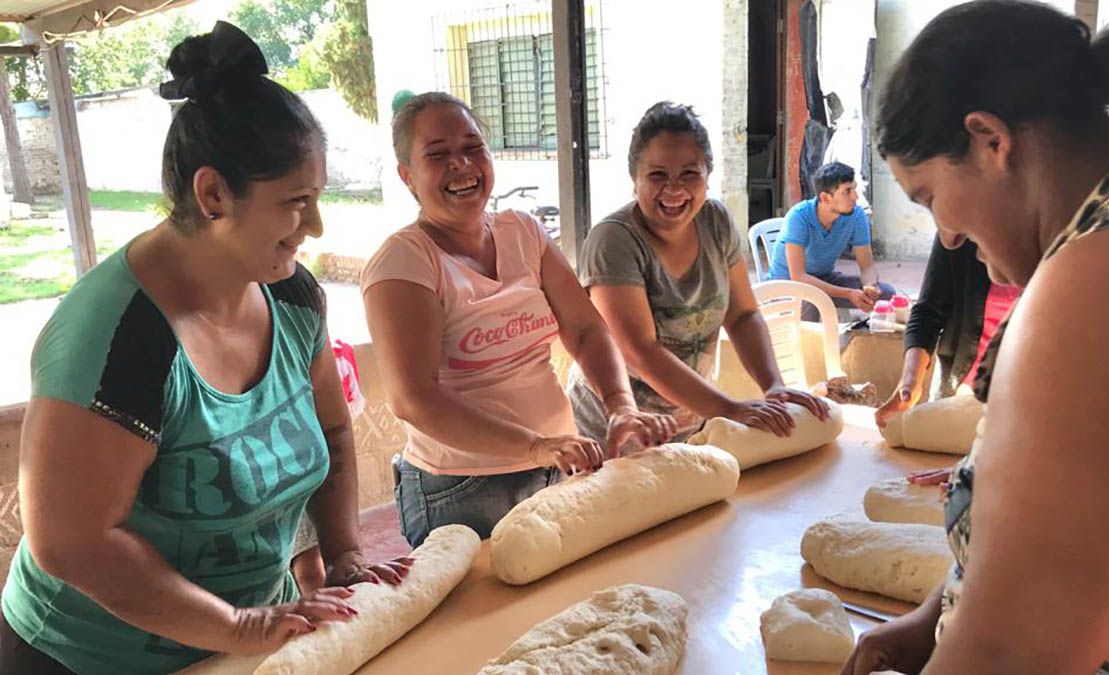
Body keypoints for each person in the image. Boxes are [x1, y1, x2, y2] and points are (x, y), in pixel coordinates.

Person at [0, 23, 409, 675]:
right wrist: (237, 624)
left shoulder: (294, 295)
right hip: (88, 658)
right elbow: (71, 542)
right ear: (214, 194)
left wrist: (345, 555)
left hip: (238, 644)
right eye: (296, 202)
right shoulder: (118, 337)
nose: (317, 226)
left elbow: (332, 431)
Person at [843, 2, 1109, 674]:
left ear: (989, 140)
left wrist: (975, 632)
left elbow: (1011, 655)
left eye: (926, 196)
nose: (945, 234)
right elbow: (1081, 545)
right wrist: (938, 615)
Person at [362, 92, 674, 549]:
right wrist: (534, 445)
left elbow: (587, 330)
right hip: (462, 489)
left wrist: (620, 405)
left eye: (472, 147)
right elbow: (414, 398)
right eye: (438, 154)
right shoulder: (405, 261)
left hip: (556, 465)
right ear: (407, 176)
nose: (462, 164)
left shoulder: (522, 231)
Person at [567, 101, 829, 446]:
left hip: (691, 419)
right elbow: (639, 351)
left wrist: (773, 385)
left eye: (689, 174)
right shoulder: (613, 241)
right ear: (635, 180)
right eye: (657, 175)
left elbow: (744, 315)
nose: (674, 190)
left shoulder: (716, 222)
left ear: (707, 176)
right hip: (615, 428)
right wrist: (729, 408)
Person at [873, 237, 1021, 430]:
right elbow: (928, 311)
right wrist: (910, 379)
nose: (980, 255)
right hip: (958, 391)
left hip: (1027, 407)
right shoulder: (956, 232)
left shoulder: (1064, 250)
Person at [766, 161, 896, 314]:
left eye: (854, 188)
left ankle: (862, 337)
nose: (855, 196)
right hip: (787, 286)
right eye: (847, 191)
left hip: (824, 279)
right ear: (826, 198)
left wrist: (870, 286)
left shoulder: (856, 215)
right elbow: (799, 277)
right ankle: (811, 339)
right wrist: (848, 293)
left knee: (887, 293)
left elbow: (867, 266)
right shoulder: (799, 217)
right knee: (811, 301)